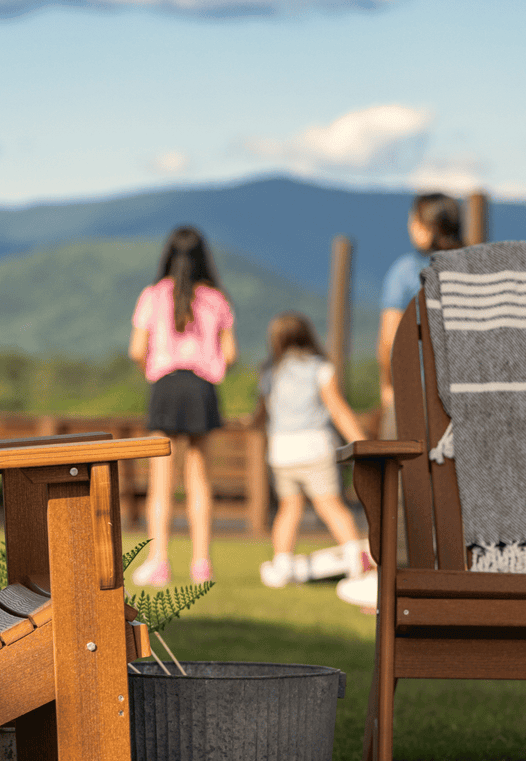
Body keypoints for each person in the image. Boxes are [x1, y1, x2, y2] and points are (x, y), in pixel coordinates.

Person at [128, 227, 237, 586]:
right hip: (202, 387)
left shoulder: (153, 295)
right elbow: (230, 353)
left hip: (166, 385)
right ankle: (201, 564)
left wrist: (151, 367)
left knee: (161, 481)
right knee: (199, 479)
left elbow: (136, 349)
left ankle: (159, 561)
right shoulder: (216, 298)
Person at [255, 313, 370, 588]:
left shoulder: (270, 372)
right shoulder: (320, 368)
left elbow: (261, 414)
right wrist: (361, 442)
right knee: (329, 504)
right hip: (314, 447)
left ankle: (282, 565)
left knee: (289, 508)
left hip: (281, 450)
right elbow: (337, 410)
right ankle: (357, 560)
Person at [378, 193, 463, 436]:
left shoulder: (405, 272)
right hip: (468, 396)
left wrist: (387, 384)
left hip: (416, 393)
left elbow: (389, 340)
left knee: (397, 454)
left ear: (427, 227)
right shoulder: (477, 267)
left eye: (413, 219)